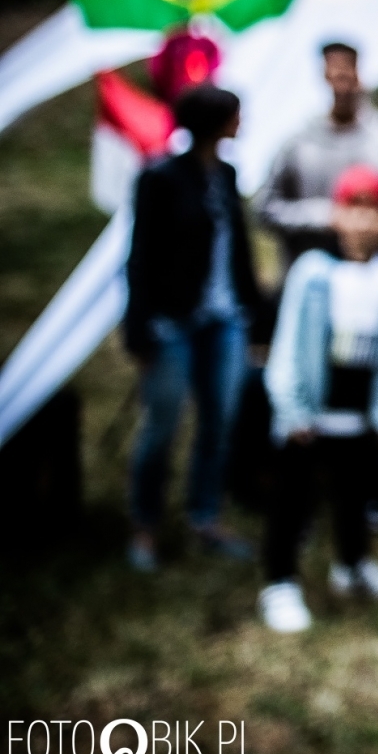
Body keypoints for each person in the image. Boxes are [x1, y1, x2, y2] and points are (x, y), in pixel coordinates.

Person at [258, 166, 378, 633]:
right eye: (353, 209)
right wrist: (292, 407)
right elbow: (290, 345)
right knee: (293, 497)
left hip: (358, 407)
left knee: (354, 489)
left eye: (373, 211)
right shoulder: (313, 273)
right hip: (312, 406)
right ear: (337, 215)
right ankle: (280, 581)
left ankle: (353, 564)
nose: (363, 222)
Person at [123, 84, 263, 571]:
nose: (241, 124)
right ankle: (145, 525)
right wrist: (138, 328)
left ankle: (205, 516)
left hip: (223, 320)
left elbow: (239, 248)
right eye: (235, 115)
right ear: (215, 121)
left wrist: (254, 311)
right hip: (174, 322)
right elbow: (139, 257)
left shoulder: (224, 174)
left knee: (218, 422)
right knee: (161, 426)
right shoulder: (160, 178)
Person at [256, 42, 378, 268]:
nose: (341, 77)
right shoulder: (300, 142)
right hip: (310, 272)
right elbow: (264, 208)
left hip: (371, 276)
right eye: (334, 69)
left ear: (358, 72)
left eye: (347, 68)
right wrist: (325, 217)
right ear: (324, 75)